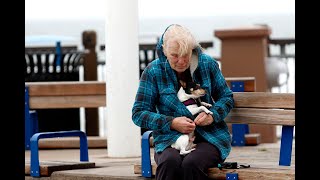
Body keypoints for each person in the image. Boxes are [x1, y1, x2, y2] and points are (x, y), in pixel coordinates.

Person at [132, 24, 234, 180]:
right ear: (164, 51)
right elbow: (139, 113)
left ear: (192, 49)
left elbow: (226, 97)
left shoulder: (207, 64)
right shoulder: (153, 71)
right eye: (174, 55)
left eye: (185, 54)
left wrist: (212, 115)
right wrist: (171, 122)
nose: (181, 61)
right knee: (169, 162)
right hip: (169, 139)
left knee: (191, 163)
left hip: (210, 137)